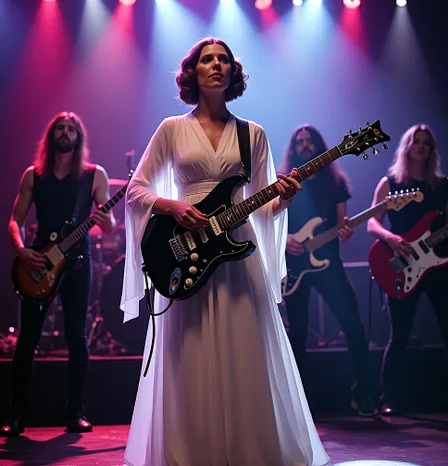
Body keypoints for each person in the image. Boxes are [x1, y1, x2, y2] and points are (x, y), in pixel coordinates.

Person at [120, 38, 330, 466]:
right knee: (189, 356)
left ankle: (251, 453)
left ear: (234, 73)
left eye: (224, 60)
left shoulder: (253, 134)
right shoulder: (171, 129)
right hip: (187, 255)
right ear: (192, 73)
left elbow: (262, 203)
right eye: (206, 59)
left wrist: (285, 198)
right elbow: (135, 189)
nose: (216, 64)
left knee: (245, 353)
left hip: (238, 258)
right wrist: (175, 206)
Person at [1, 112, 116, 436]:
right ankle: (16, 414)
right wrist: (21, 249)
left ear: (79, 138)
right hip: (38, 262)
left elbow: (106, 221)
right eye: (60, 129)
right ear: (51, 135)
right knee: (27, 340)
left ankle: (76, 412)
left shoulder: (94, 175)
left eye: (71, 129)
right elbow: (15, 219)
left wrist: (106, 222)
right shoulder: (33, 175)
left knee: (77, 336)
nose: (65, 133)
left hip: (77, 262)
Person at [367, 124, 448, 417]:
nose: (422, 146)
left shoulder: (444, 184)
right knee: (398, 336)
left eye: (427, 142)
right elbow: (372, 222)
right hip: (401, 264)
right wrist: (391, 238)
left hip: (439, 265)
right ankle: (390, 399)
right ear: (407, 147)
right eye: (417, 142)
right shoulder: (390, 183)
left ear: (432, 149)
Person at [279, 125, 378, 418]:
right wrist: (285, 240)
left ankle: (363, 395)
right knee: (296, 334)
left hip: (329, 264)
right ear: (293, 149)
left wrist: (345, 231)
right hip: (295, 266)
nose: (305, 145)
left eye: (310, 141)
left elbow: (341, 223)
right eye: (300, 142)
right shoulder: (286, 182)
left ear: (320, 146)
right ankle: (298, 407)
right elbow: (271, 220)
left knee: (354, 327)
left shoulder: (336, 183)